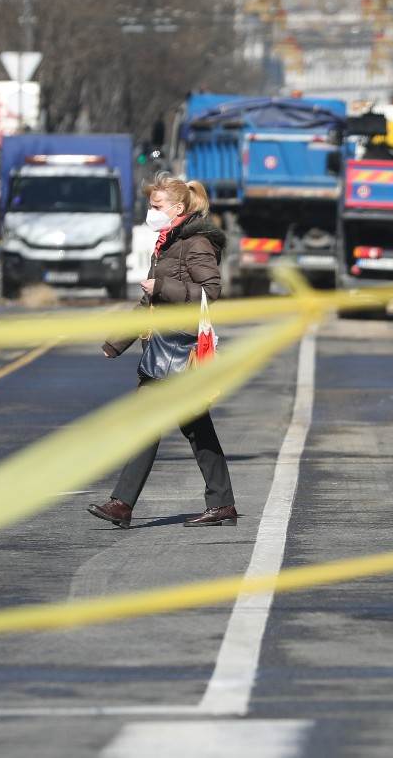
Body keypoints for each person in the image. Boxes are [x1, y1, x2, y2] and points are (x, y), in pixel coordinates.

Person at [88, 172, 236, 529]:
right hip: (164, 346)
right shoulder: (169, 242)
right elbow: (149, 301)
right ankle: (222, 503)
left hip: (178, 348)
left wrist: (163, 284)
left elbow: (210, 292)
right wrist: (116, 343)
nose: (150, 212)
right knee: (197, 427)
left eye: (156, 206)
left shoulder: (194, 243)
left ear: (178, 207)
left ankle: (122, 504)